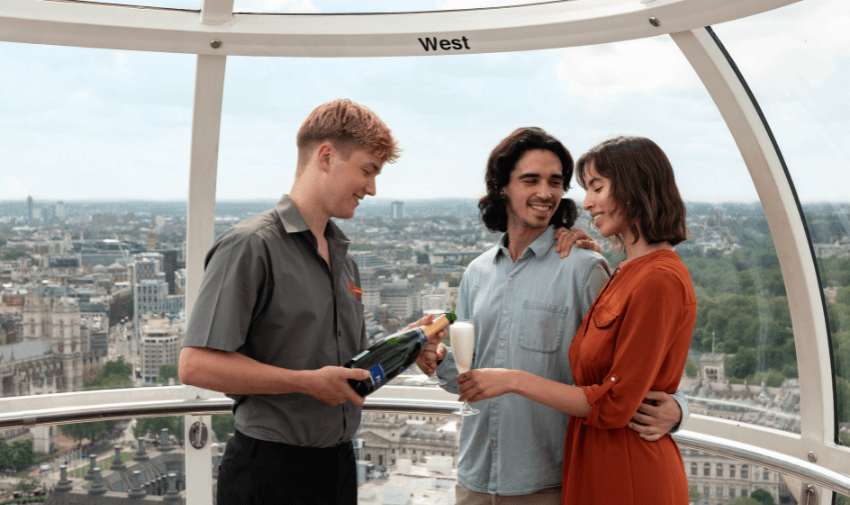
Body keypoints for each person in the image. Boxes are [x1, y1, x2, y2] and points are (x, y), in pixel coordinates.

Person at [179, 99, 438, 505]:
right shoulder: (251, 246)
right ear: (327, 156)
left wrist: (408, 342)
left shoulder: (344, 259)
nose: (372, 188)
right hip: (270, 472)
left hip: (338, 466)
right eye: (368, 170)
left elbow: (343, 365)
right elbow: (195, 364)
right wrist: (305, 383)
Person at [417, 128, 690, 504]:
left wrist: (679, 409)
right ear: (502, 186)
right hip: (475, 478)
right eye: (531, 180)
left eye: (556, 183)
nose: (546, 193)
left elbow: (629, 374)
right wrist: (437, 361)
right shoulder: (476, 274)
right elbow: (474, 379)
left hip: (550, 484)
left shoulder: (586, 268)